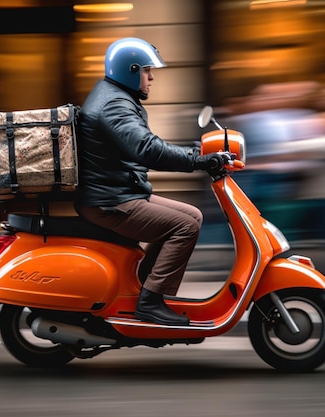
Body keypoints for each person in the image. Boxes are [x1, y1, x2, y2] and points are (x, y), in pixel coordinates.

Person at [75, 37, 231, 326]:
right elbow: (146, 148)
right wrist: (197, 160)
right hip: (111, 201)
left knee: (192, 215)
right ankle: (150, 301)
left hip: (119, 192)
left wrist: (196, 156)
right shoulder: (114, 105)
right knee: (183, 226)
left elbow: (145, 145)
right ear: (130, 71)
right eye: (147, 70)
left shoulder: (114, 95)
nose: (152, 77)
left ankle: (143, 285)